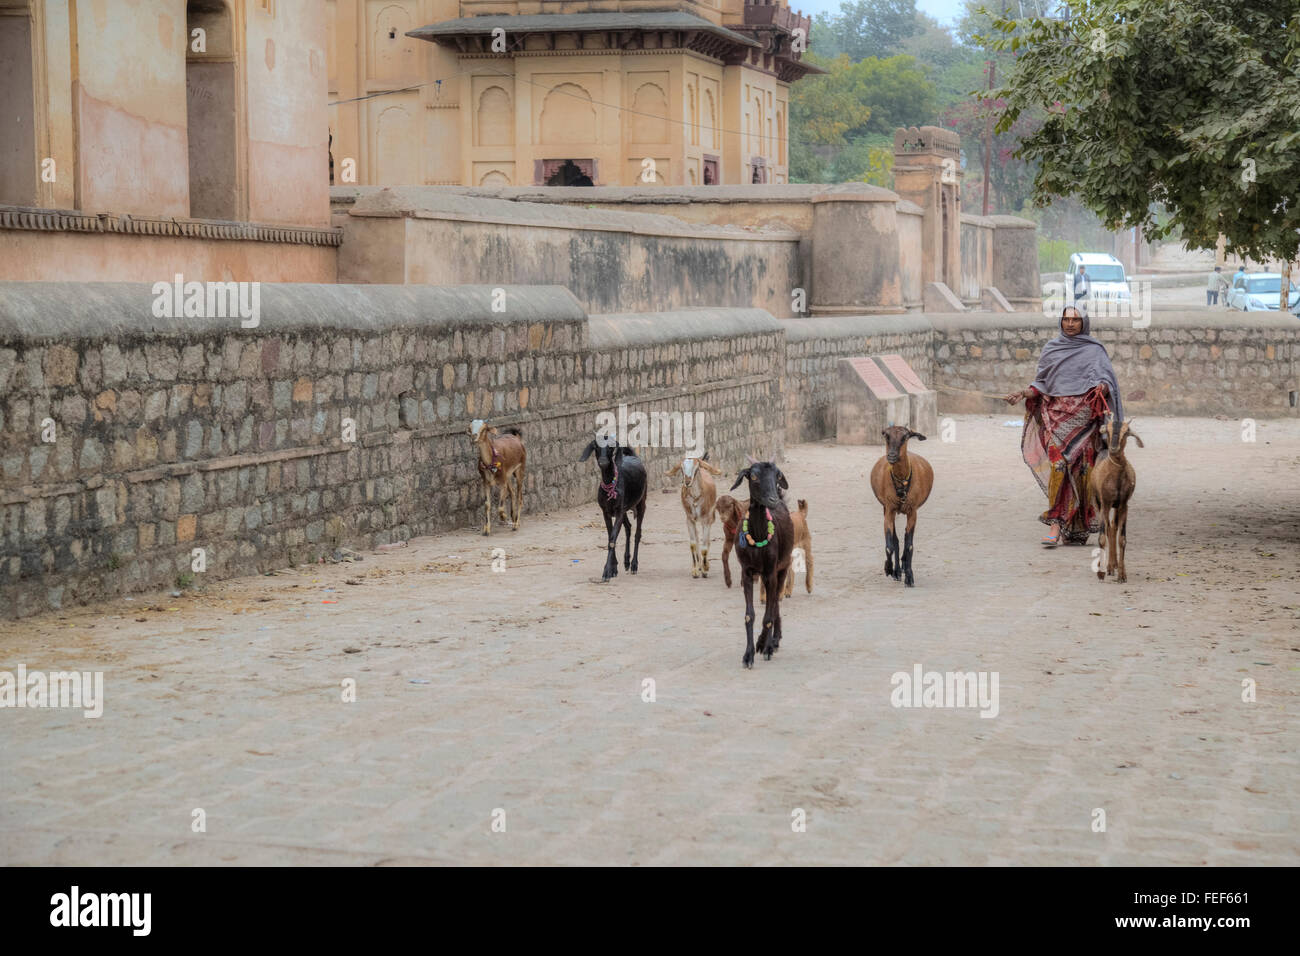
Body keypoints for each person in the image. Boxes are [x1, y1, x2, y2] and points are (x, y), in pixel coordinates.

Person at [1004, 306, 1123, 547]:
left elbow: (1107, 381)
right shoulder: (1052, 349)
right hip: (1054, 421)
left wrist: (1102, 387)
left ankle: (1079, 522)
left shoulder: (1094, 350)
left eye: (1075, 320)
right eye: (1066, 319)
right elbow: (1041, 384)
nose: (1070, 324)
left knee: (1083, 473)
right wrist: (1022, 393)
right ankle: (1056, 523)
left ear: (1084, 323)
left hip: (1085, 424)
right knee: (1058, 466)